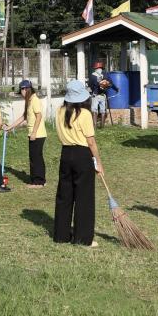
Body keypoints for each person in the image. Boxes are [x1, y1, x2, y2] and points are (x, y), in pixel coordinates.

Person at [54, 79, 107, 246]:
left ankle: (61, 235)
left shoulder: (59, 111)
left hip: (65, 154)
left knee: (65, 196)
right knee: (84, 197)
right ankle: (83, 239)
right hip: (82, 155)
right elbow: (91, 142)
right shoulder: (84, 114)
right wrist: (98, 162)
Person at [7, 79, 47, 186]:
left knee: (35, 158)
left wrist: (34, 132)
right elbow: (24, 117)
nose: (21, 93)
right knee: (35, 157)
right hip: (33, 133)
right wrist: (10, 127)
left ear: (26, 89)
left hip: (38, 134)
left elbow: (39, 116)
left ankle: (38, 182)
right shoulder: (29, 101)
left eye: (22, 91)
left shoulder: (34, 100)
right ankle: (40, 180)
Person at [88, 61, 111, 126]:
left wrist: (92, 91)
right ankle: (102, 126)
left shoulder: (93, 75)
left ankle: (94, 126)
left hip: (95, 95)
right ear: (102, 67)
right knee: (103, 110)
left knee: (94, 110)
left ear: (96, 68)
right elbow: (110, 84)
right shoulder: (106, 75)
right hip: (103, 95)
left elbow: (90, 85)